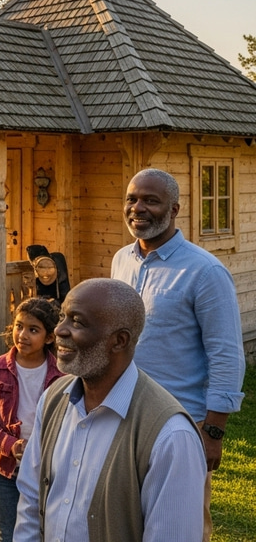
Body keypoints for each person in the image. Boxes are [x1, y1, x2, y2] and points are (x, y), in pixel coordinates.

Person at [14, 278, 207, 542]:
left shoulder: (170, 437)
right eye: (63, 317)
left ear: (119, 341)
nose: (59, 330)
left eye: (77, 322)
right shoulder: (53, 400)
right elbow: (31, 501)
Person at [111, 168, 245, 542]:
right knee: (126, 518)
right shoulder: (122, 260)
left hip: (181, 423)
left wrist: (213, 431)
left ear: (175, 209)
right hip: (124, 414)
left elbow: (226, 354)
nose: (138, 208)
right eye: (132, 198)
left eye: (150, 200)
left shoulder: (204, 272)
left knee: (179, 525)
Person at [0, 297, 61, 542]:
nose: (23, 334)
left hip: (49, 469)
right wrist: (10, 445)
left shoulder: (62, 375)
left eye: (33, 330)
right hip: (6, 468)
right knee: (7, 533)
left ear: (49, 337)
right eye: (19, 326)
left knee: (47, 531)